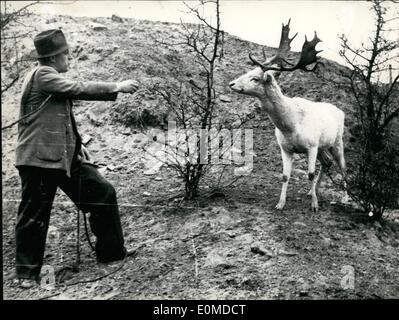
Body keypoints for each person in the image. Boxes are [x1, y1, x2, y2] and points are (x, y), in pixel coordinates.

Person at [14, 29, 139, 288]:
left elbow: (61, 116)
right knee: (35, 214)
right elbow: (77, 88)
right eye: (65, 54)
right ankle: (26, 274)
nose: (69, 58)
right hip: (38, 159)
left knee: (102, 192)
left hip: (62, 156)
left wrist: (77, 146)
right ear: (52, 57)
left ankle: (112, 253)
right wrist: (116, 86)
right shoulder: (43, 74)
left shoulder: (48, 76)